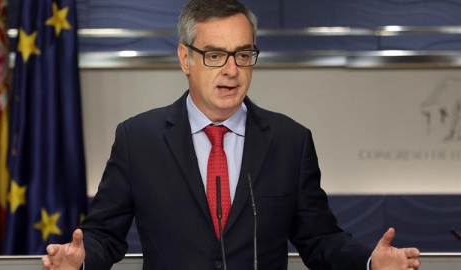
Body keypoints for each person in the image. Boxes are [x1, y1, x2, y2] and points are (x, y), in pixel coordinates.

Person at [42, 0, 421, 269]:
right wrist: (80, 260)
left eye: (243, 54)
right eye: (214, 55)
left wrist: (370, 262)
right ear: (185, 59)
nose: (231, 70)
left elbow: (320, 240)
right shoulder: (138, 139)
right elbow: (105, 235)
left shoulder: (290, 140)